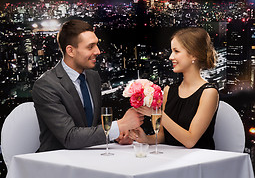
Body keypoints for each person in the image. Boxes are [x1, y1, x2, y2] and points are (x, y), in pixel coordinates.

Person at [32, 19, 143, 152]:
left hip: (89, 157)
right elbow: (69, 137)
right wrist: (120, 125)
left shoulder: (92, 77)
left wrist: (116, 136)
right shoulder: (46, 85)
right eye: (90, 47)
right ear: (70, 51)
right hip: (56, 164)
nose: (98, 51)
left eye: (96, 45)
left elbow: (91, 127)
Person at [129, 27, 219, 149]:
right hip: (173, 157)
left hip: (198, 162)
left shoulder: (209, 93)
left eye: (176, 51)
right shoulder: (169, 90)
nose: (171, 57)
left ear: (194, 55)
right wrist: (144, 139)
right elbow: (162, 136)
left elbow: (190, 141)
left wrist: (157, 113)